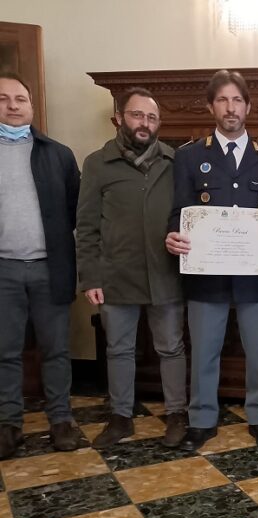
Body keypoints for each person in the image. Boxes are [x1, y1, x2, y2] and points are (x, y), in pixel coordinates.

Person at [165, 70, 258, 451]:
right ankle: (201, 419)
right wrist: (173, 235)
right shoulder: (189, 157)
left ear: (248, 107)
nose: (230, 107)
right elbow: (179, 211)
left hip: (256, 277)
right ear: (211, 107)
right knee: (204, 351)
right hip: (206, 274)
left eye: (237, 100)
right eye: (223, 100)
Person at [77, 87, 188, 449]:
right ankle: (120, 418)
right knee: (119, 350)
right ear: (119, 118)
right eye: (137, 115)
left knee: (171, 347)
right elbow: (86, 226)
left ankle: (176, 414)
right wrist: (90, 277)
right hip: (116, 275)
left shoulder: (173, 162)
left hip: (165, 273)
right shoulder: (97, 164)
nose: (145, 123)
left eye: (152, 117)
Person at [0, 72, 81, 458]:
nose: (12, 106)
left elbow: (75, 209)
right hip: (4, 270)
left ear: (32, 106)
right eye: (3, 99)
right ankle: (8, 424)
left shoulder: (58, 154)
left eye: (20, 99)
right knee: (5, 351)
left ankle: (61, 420)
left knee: (56, 350)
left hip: (50, 267)